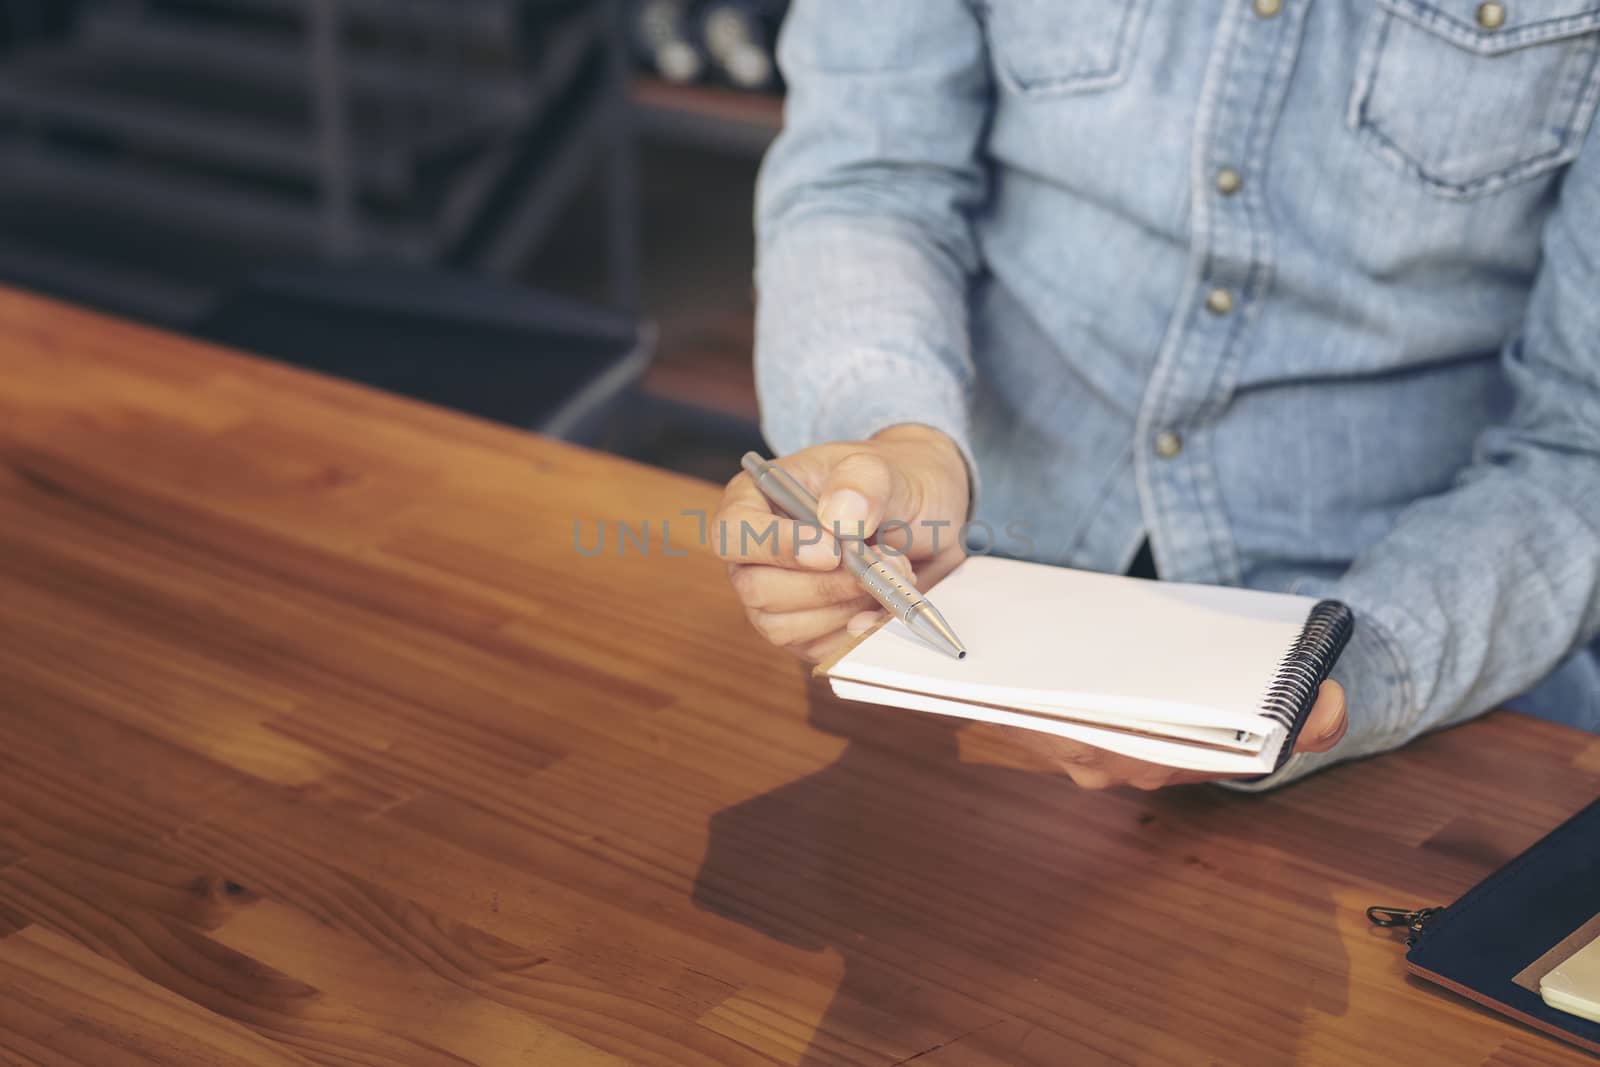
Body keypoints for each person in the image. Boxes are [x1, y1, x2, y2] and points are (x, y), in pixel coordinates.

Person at [714, 0, 1600, 791]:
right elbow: (865, 181)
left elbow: (1582, 444)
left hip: (1404, 675)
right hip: (961, 592)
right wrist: (898, 439)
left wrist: (1370, 665)